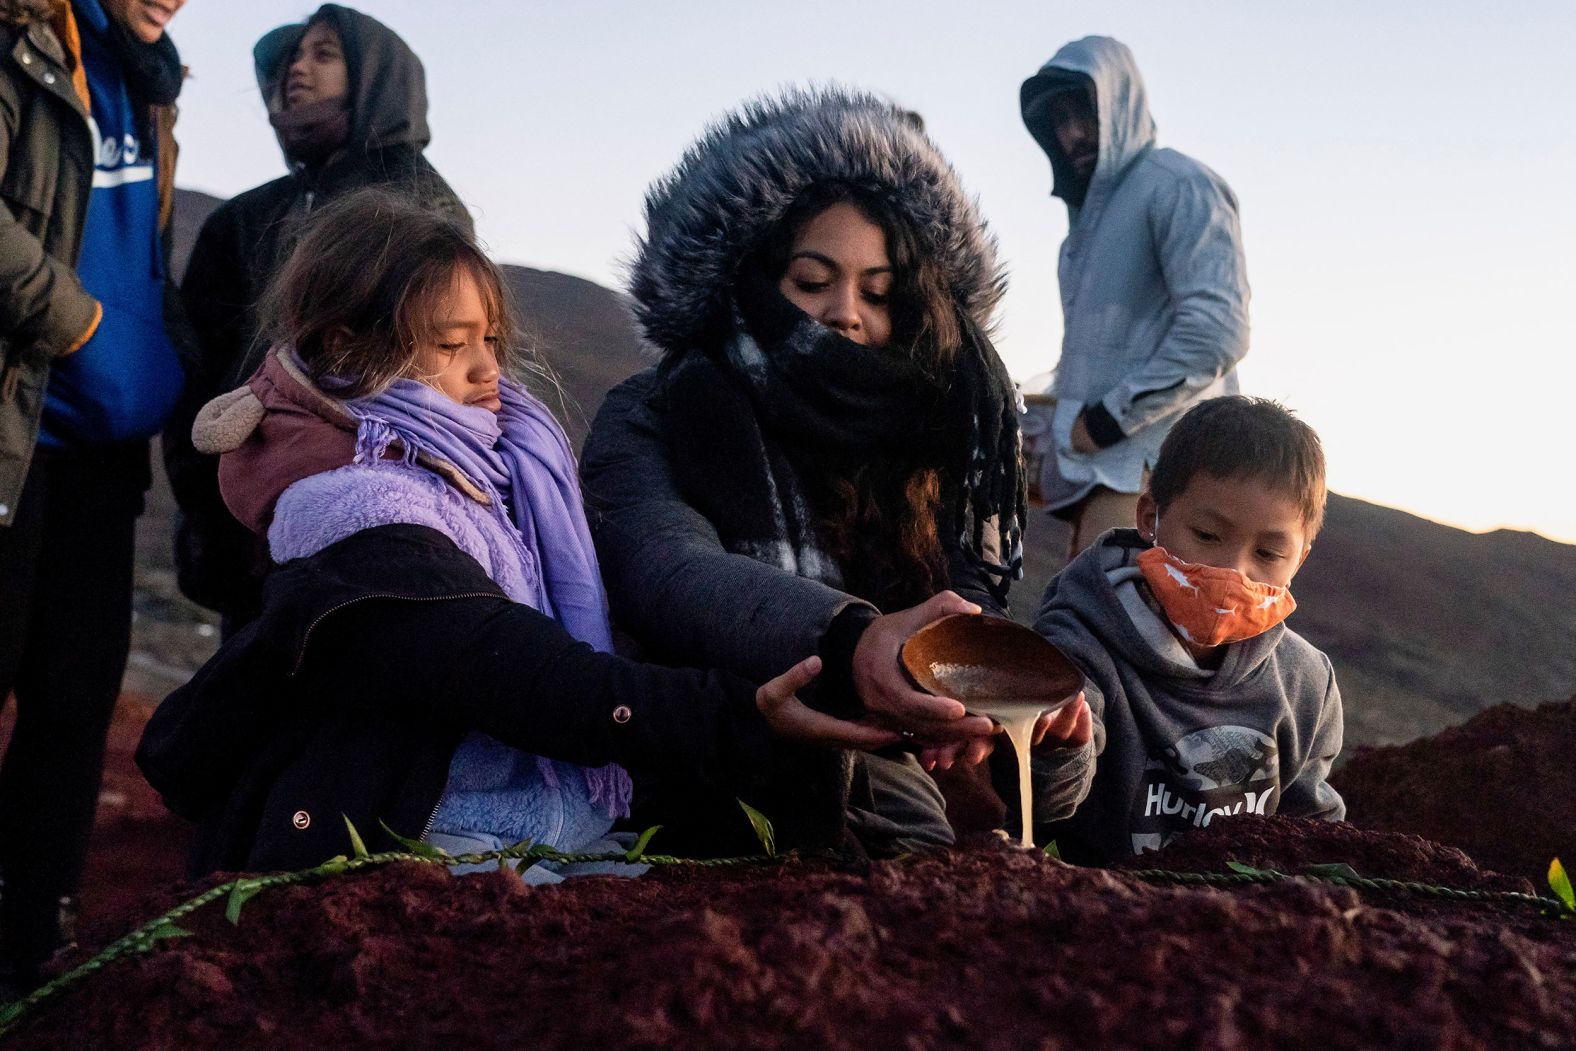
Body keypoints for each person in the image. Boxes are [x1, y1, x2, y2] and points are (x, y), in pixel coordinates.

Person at [135, 188, 899, 879]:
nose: (488, 371)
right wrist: (747, 716)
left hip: (544, 829)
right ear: (345, 352)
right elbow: (523, 674)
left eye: (491, 339)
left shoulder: (490, 475)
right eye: (450, 344)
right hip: (425, 838)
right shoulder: (359, 514)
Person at [581, 88, 1089, 858]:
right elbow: (668, 569)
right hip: (693, 782)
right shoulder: (654, 413)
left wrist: (1040, 721)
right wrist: (854, 643)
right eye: (812, 282)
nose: (846, 313)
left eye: (878, 291)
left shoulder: (939, 436)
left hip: (898, 807)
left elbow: (969, 611)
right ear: (746, 279)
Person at [165, 3, 467, 632]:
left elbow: (430, 380)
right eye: (294, 56)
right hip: (247, 520)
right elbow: (197, 361)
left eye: (324, 54)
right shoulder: (245, 218)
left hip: (364, 525)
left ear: (374, 79)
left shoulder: (420, 207)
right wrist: (209, 490)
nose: (297, 69)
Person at [0, 0, 189, 989]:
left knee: (74, 705)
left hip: (102, 463)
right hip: (15, 436)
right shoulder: (19, 34)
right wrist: (81, 327)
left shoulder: (148, 77)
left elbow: (136, 246)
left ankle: (29, 948)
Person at [1031, 396, 1345, 864]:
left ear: (1298, 560)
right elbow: (1042, 805)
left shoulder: (1306, 683)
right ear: (1148, 518)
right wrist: (1059, 745)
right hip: (1103, 909)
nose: (1232, 572)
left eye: (1268, 555)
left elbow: (1312, 830)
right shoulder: (1082, 640)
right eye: (1207, 535)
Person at [1020, 36, 1250, 559]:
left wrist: (1103, 422)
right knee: (1080, 629)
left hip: (1162, 471)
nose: (1071, 132)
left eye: (1085, 111)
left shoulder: (1177, 184)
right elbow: (1100, 355)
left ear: (1119, 103)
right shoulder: (1077, 240)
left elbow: (1216, 331)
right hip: (1099, 477)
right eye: (1058, 119)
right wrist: (1046, 422)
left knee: (1106, 634)